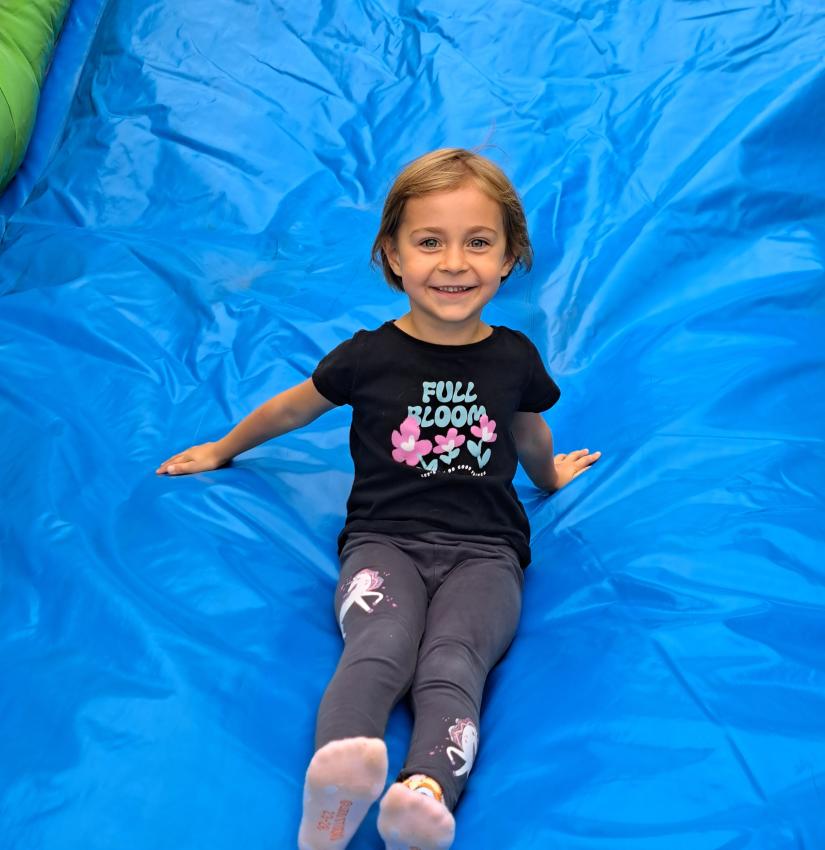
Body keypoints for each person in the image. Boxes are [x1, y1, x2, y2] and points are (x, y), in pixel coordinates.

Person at [156, 147, 601, 850]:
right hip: (383, 542)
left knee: (454, 659)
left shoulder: (513, 357)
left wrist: (550, 479)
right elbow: (292, 408)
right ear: (392, 254)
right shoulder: (369, 356)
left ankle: (424, 794)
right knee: (381, 642)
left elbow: (528, 431)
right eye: (429, 242)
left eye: (477, 242)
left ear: (509, 256)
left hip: (486, 554)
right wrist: (222, 448)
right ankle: (338, 782)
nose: (453, 263)